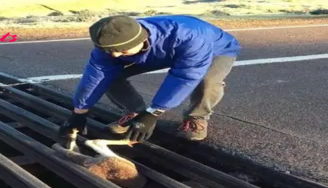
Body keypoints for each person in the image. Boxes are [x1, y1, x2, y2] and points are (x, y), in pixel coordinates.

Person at [59, 14, 240, 142]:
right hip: (154, 51)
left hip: (216, 49)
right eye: (109, 52)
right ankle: (134, 112)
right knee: (109, 76)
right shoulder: (110, 45)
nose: (114, 56)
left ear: (140, 40)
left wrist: (154, 112)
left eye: (121, 51)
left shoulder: (191, 38)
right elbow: (96, 78)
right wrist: (78, 113)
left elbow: (184, 76)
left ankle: (196, 118)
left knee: (207, 81)